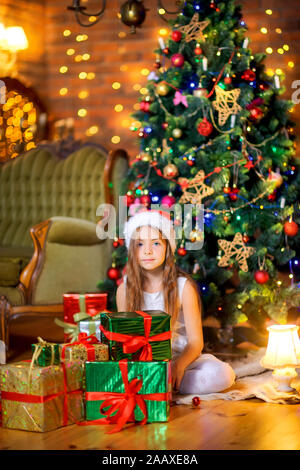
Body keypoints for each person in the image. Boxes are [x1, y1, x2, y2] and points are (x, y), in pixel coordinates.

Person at [116, 209, 235, 395]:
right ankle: (158, 386)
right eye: (140, 244)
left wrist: (178, 367)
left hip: (183, 359)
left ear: (168, 248)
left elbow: (196, 342)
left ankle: (166, 385)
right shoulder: (124, 289)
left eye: (156, 243)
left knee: (223, 374)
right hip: (144, 364)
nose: (147, 250)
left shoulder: (183, 287)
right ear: (132, 249)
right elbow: (124, 341)